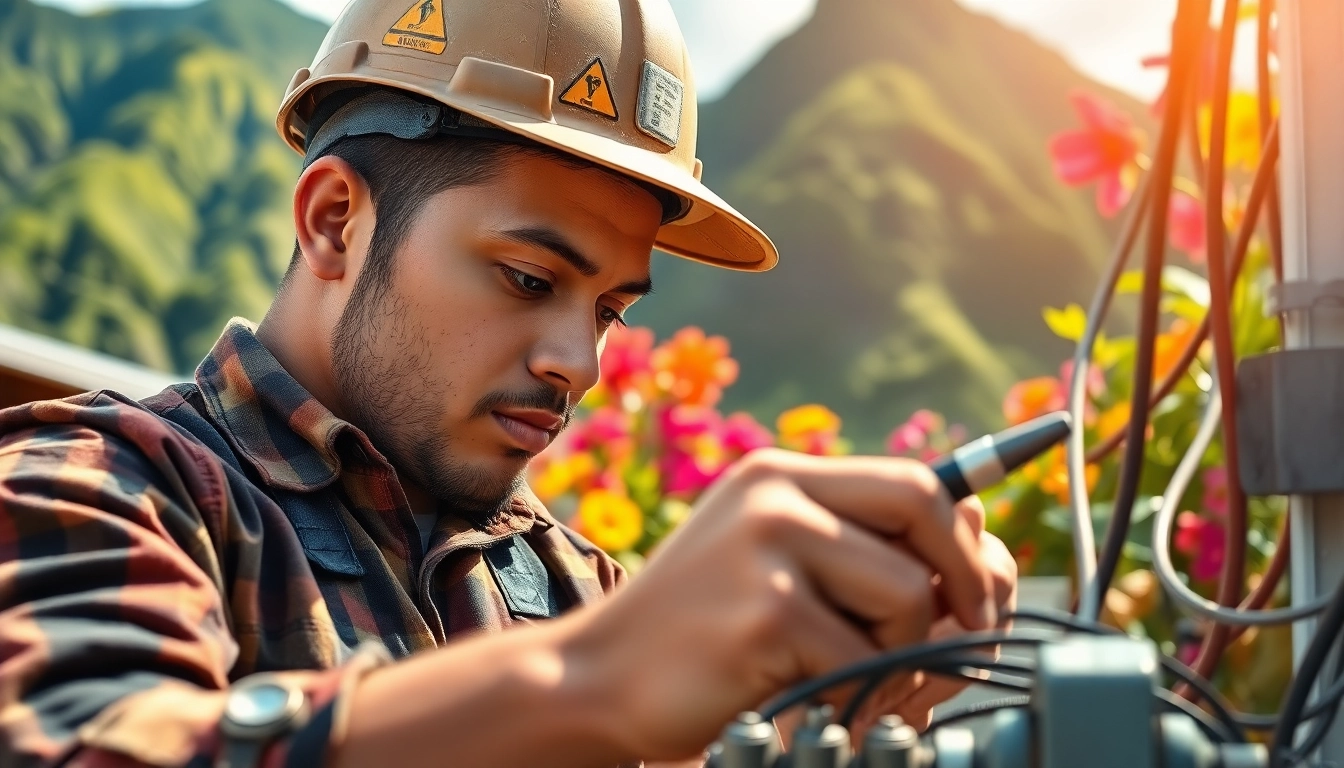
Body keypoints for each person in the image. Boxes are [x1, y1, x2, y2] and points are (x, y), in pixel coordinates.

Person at [0, 0, 1016, 766]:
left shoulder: (577, 589)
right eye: (529, 279)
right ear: (334, 222)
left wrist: (814, 721)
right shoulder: (91, 491)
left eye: (610, 310)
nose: (578, 361)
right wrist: (582, 682)